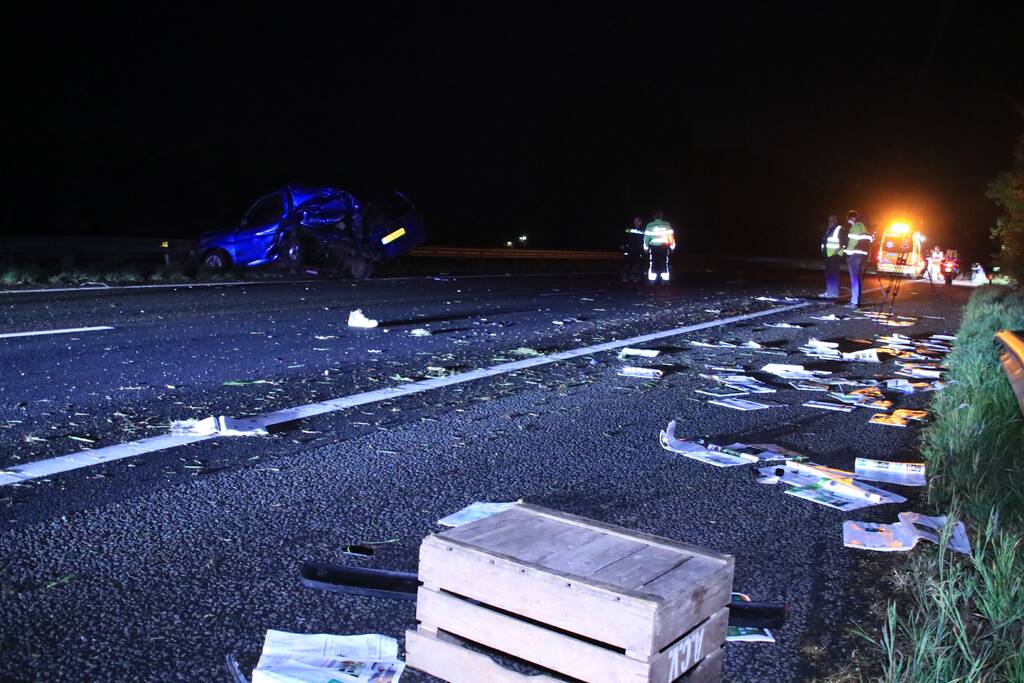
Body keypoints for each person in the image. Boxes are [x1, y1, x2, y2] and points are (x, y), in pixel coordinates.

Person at [844, 210, 873, 307]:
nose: (848, 222)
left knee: (854, 279)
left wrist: (847, 253)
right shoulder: (864, 228)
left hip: (855, 256)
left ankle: (854, 302)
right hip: (863, 256)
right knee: (858, 279)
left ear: (852, 218)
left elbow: (852, 243)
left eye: (849, 220)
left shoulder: (855, 227)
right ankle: (856, 300)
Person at [643, 211, 676, 284]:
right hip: (664, 247)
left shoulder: (650, 225)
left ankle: (652, 280)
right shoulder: (666, 224)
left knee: (653, 262)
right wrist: (672, 247)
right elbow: (671, 237)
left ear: (653, 216)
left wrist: (645, 248)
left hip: (653, 247)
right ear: (661, 216)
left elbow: (646, 238)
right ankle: (665, 280)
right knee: (664, 262)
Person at [819, 214, 843, 299]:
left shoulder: (839, 229)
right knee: (829, 274)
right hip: (828, 255)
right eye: (829, 220)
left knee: (833, 274)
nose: (830, 221)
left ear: (836, 220)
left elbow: (843, 242)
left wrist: (837, 251)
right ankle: (829, 292)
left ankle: (834, 293)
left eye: (832, 220)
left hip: (834, 255)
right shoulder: (829, 229)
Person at [620, 216, 646, 282]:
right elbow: (624, 237)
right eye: (635, 221)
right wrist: (622, 244)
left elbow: (644, 240)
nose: (636, 222)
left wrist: (644, 248)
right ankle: (624, 277)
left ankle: (633, 276)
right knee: (627, 263)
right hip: (629, 248)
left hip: (638, 249)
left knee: (636, 264)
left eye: (637, 221)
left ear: (640, 222)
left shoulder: (642, 230)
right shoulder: (629, 229)